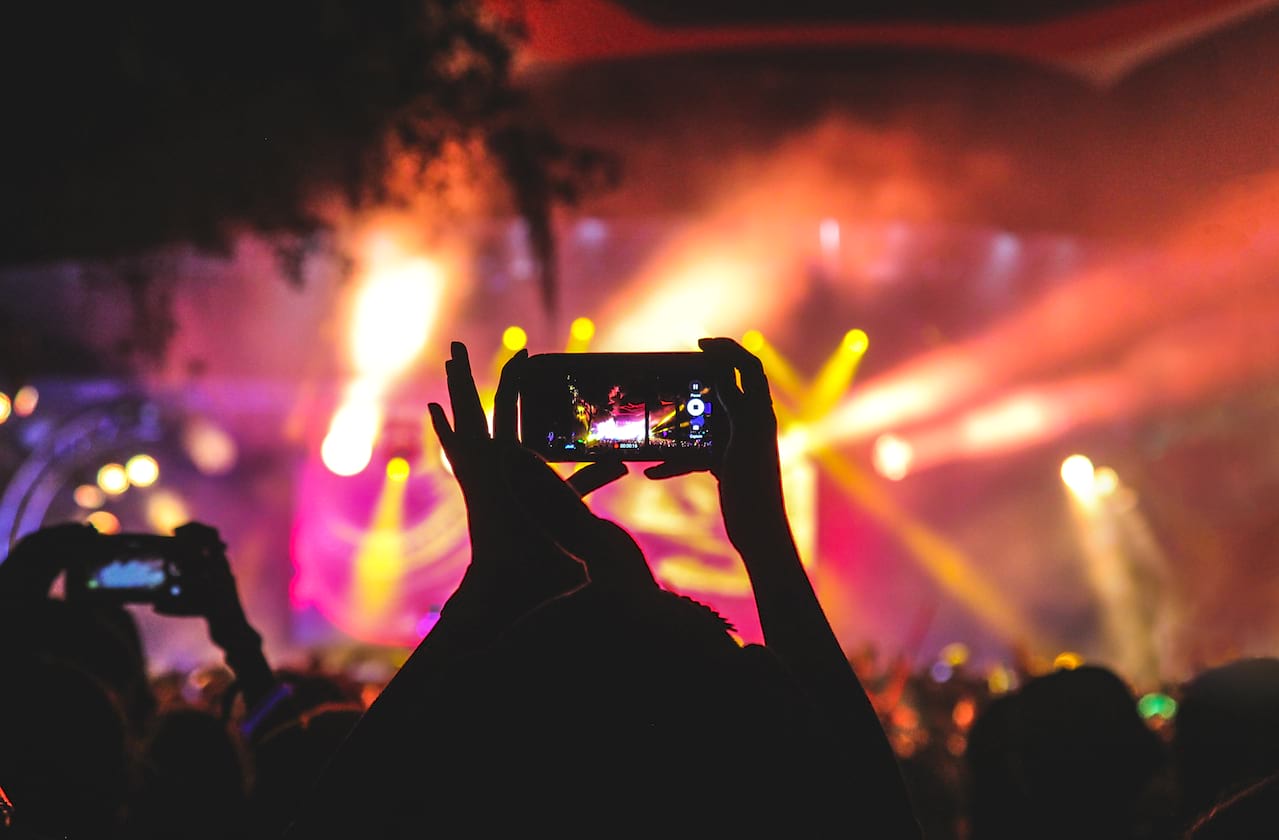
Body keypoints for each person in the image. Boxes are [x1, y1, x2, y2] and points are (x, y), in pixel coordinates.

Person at [283, 339, 921, 837]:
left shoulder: (479, 799)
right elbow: (880, 817)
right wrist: (767, 541)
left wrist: (495, 582)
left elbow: (331, 821)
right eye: (746, 662)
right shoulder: (763, 800)